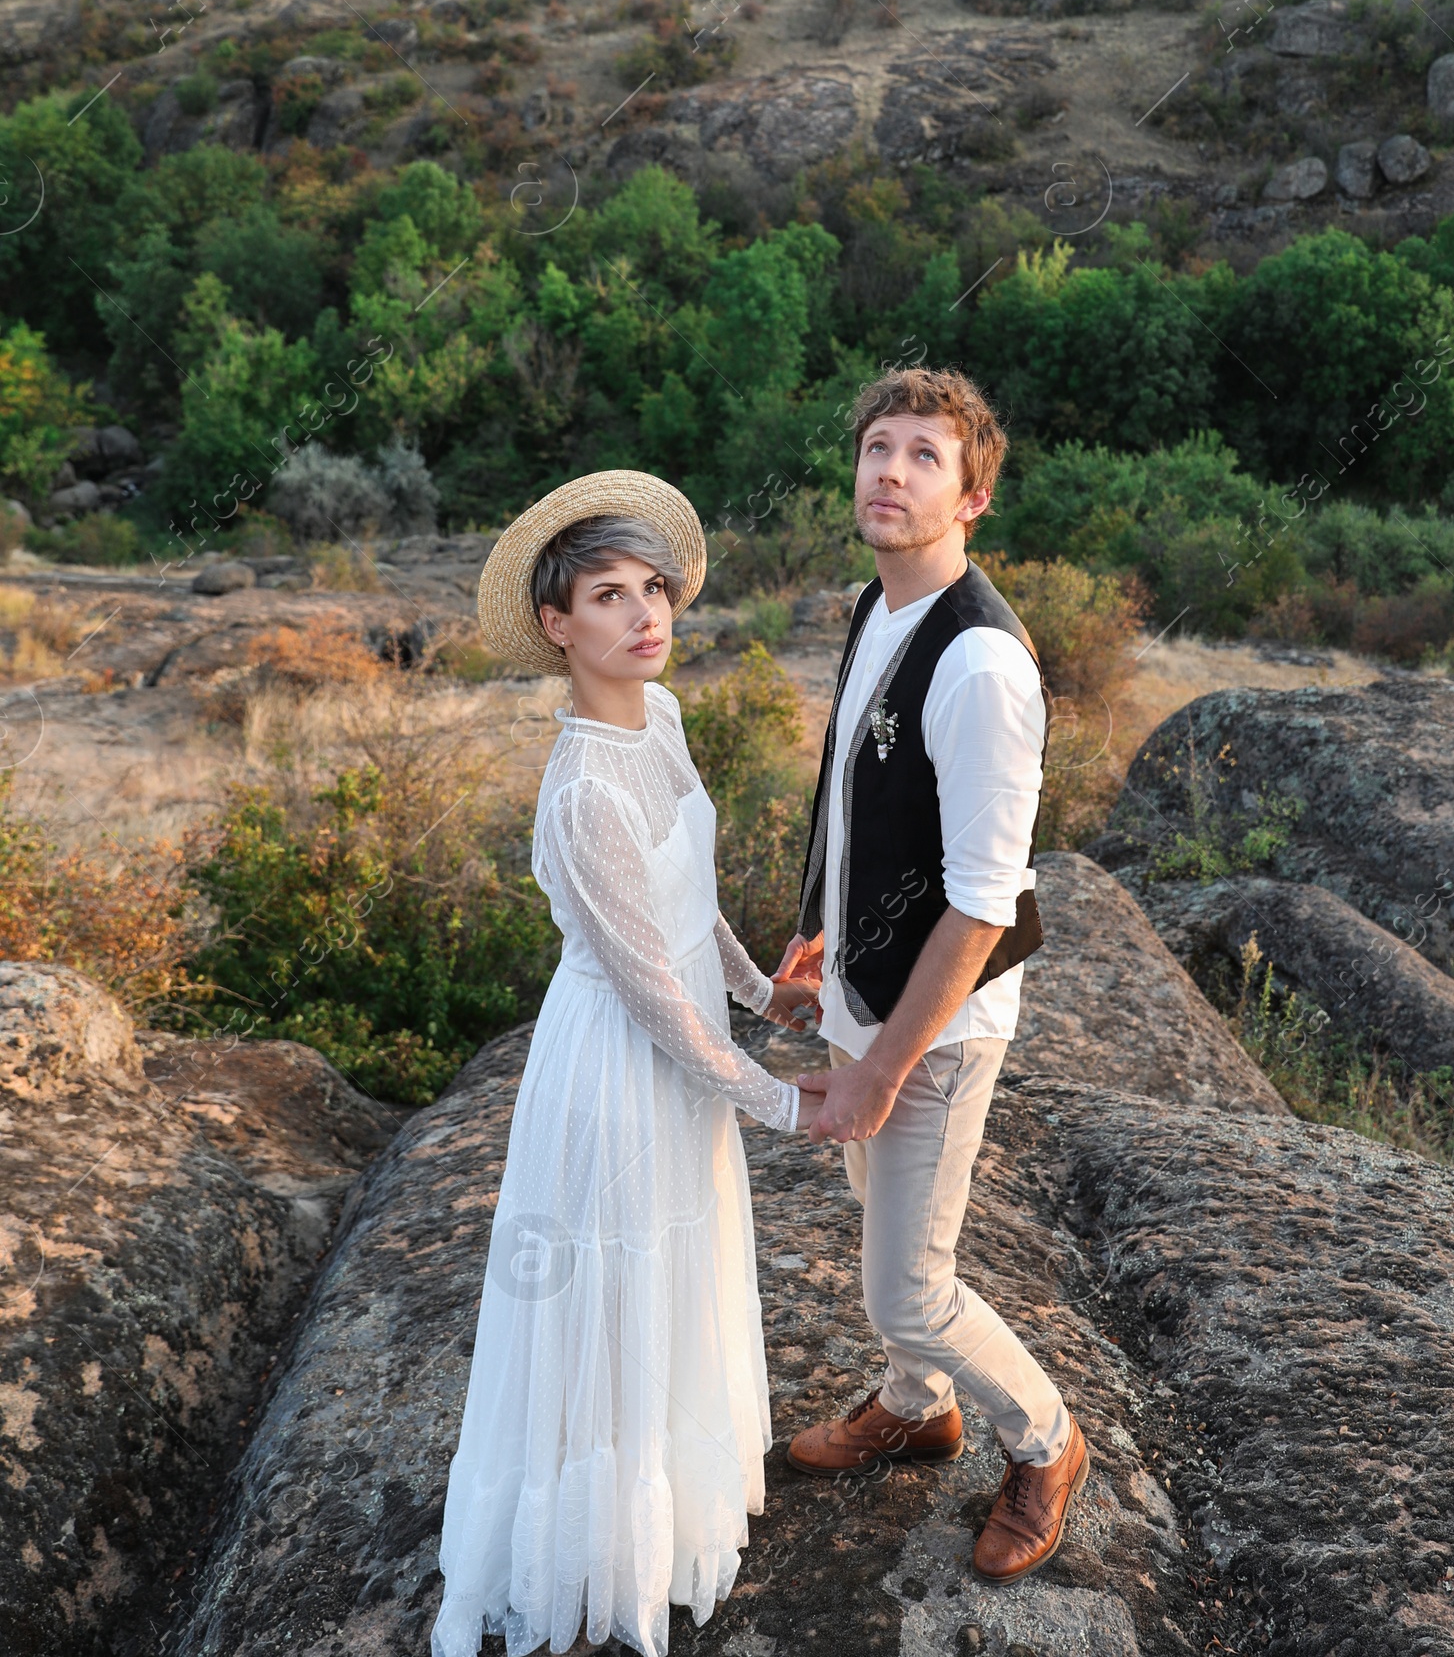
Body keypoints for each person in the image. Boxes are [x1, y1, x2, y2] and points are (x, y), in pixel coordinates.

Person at [431, 470, 819, 1657]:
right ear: (558, 626)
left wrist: (764, 993)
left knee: (675, 1270)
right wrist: (781, 1101)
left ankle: (672, 1497)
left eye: (654, 589)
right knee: (608, 1289)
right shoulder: (583, 787)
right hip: (615, 1069)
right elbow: (646, 984)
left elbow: (689, 905)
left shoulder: (664, 719)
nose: (648, 614)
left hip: (685, 1045)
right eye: (610, 595)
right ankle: (596, 1556)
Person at [771, 367, 1090, 1580]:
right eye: (876, 448)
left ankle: (1045, 1440)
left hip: (939, 1027)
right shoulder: (879, 603)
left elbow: (980, 902)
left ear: (973, 498)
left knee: (910, 1284)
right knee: (874, 1221)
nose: (890, 472)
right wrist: (825, 934)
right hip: (868, 988)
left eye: (923, 457)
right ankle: (915, 1406)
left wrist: (879, 1070)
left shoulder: (981, 667)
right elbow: (860, 804)